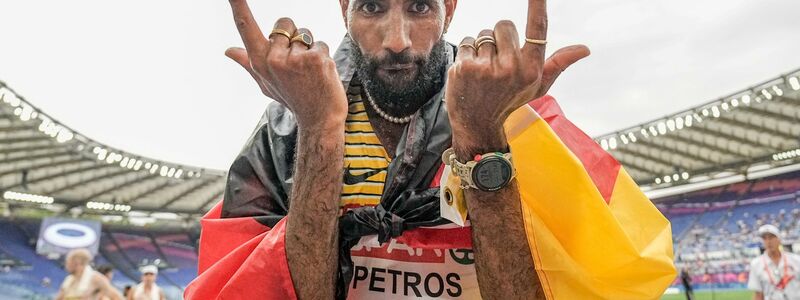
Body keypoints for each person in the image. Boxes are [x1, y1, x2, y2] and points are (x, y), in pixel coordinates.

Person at [185, 0, 676, 299]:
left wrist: (484, 139)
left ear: (451, 8)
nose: (396, 42)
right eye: (372, 7)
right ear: (343, 8)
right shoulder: (289, 124)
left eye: (419, 7)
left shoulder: (511, 110)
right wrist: (320, 130)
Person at [748, 224, 800, 300]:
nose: (768, 241)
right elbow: (758, 295)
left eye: (772, 237)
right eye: (765, 238)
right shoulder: (756, 264)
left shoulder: (796, 260)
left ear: (779, 239)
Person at [55, 249, 122, 300]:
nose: (66, 265)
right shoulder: (69, 280)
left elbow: (116, 297)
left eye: (68, 262)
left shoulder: (95, 278)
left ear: (77, 262)